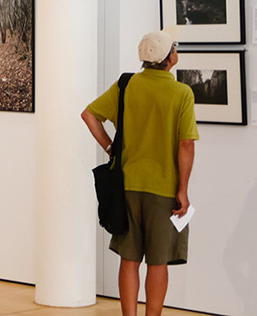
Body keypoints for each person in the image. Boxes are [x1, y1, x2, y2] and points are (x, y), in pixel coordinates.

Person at [81, 27, 198, 316]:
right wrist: (182, 190)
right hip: (163, 188)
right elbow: (185, 145)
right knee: (158, 262)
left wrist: (111, 149)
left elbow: (89, 115)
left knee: (129, 259)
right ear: (170, 57)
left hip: (127, 185)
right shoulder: (181, 92)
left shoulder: (127, 85)